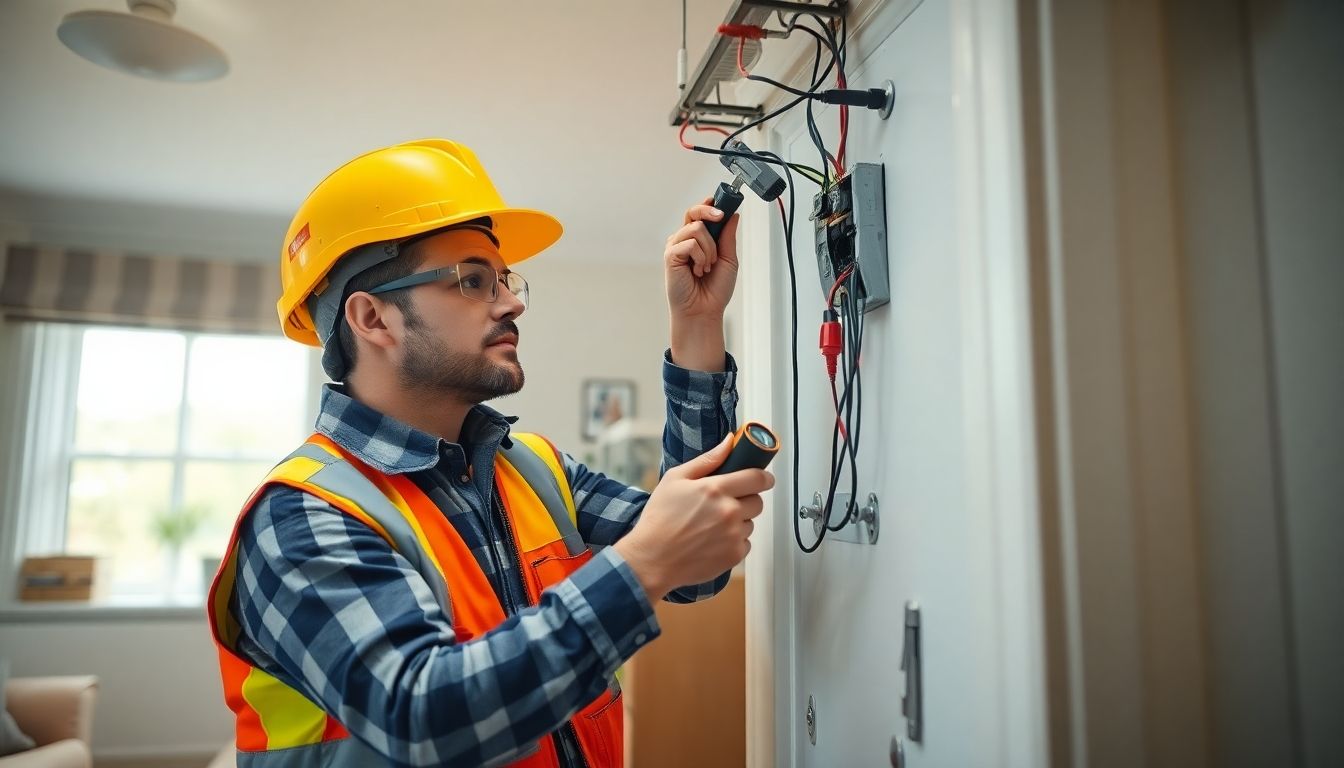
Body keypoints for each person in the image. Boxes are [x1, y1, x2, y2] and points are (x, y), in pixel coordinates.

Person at [205, 138, 774, 767]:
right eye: (472, 280)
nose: (513, 301)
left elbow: (698, 564)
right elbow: (423, 719)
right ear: (372, 319)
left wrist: (696, 326)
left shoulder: (532, 468)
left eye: (504, 279)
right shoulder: (303, 517)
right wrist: (642, 564)